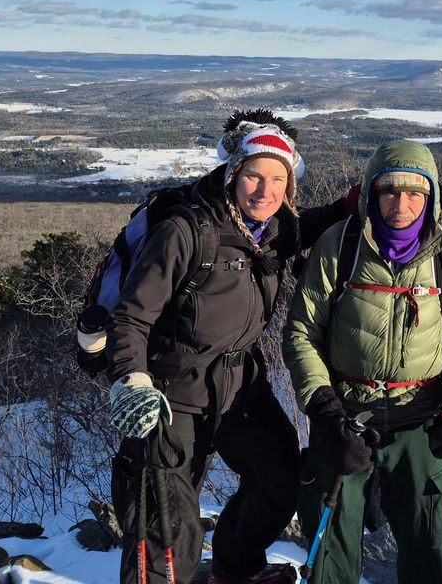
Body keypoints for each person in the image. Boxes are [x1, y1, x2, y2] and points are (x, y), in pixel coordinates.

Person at [106, 110, 344, 584]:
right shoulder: (187, 230)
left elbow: (310, 224)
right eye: (254, 176)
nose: (265, 190)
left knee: (279, 479)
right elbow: (131, 315)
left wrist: (364, 199)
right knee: (168, 528)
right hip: (172, 394)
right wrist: (132, 379)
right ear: (233, 173)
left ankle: (236, 569)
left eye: (278, 179)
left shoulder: (275, 230)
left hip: (240, 388)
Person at [283, 139, 442, 584]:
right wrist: (325, 410)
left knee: (433, 550)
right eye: (389, 190)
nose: (401, 202)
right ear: (371, 193)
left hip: (423, 418)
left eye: (416, 192)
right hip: (345, 416)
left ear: (432, 198)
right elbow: (302, 332)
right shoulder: (339, 247)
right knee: (330, 551)